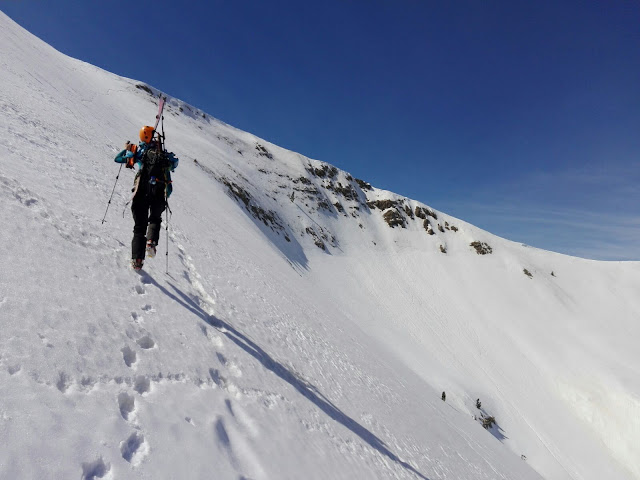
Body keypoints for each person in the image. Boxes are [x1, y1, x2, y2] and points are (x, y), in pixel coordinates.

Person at [114, 126, 179, 270]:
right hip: (158, 192)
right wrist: (165, 196)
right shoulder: (163, 156)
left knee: (139, 227)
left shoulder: (139, 151)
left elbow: (117, 159)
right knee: (155, 219)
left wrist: (128, 149)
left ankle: (137, 261)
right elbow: (171, 172)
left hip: (141, 191)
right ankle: (151, 242)